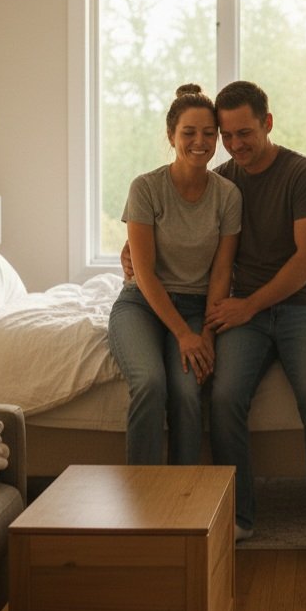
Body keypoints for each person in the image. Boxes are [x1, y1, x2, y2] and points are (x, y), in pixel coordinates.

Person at [122, 80, 306, 564]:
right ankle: (240, 516)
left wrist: (244, 307)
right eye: (226, 135)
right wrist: (134, 254)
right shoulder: (222, 180)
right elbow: (171, 228)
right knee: (224, 396)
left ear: (267, 124)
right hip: (241, 310)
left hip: (303, 306)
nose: (233, 145)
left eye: (243, 132)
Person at [108, 84, 241, 466]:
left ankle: (184, 502)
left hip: (198, 306)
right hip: (142, 304)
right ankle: (143, 499)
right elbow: (144, 272)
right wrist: (183, 335)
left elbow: (221, 274)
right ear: (171, 136)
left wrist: (206, 334)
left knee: (186, 393)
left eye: (208, 133)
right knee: (150, 383)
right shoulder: (146, 188)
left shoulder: (228, 195)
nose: (200, 141)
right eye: (189, 132)